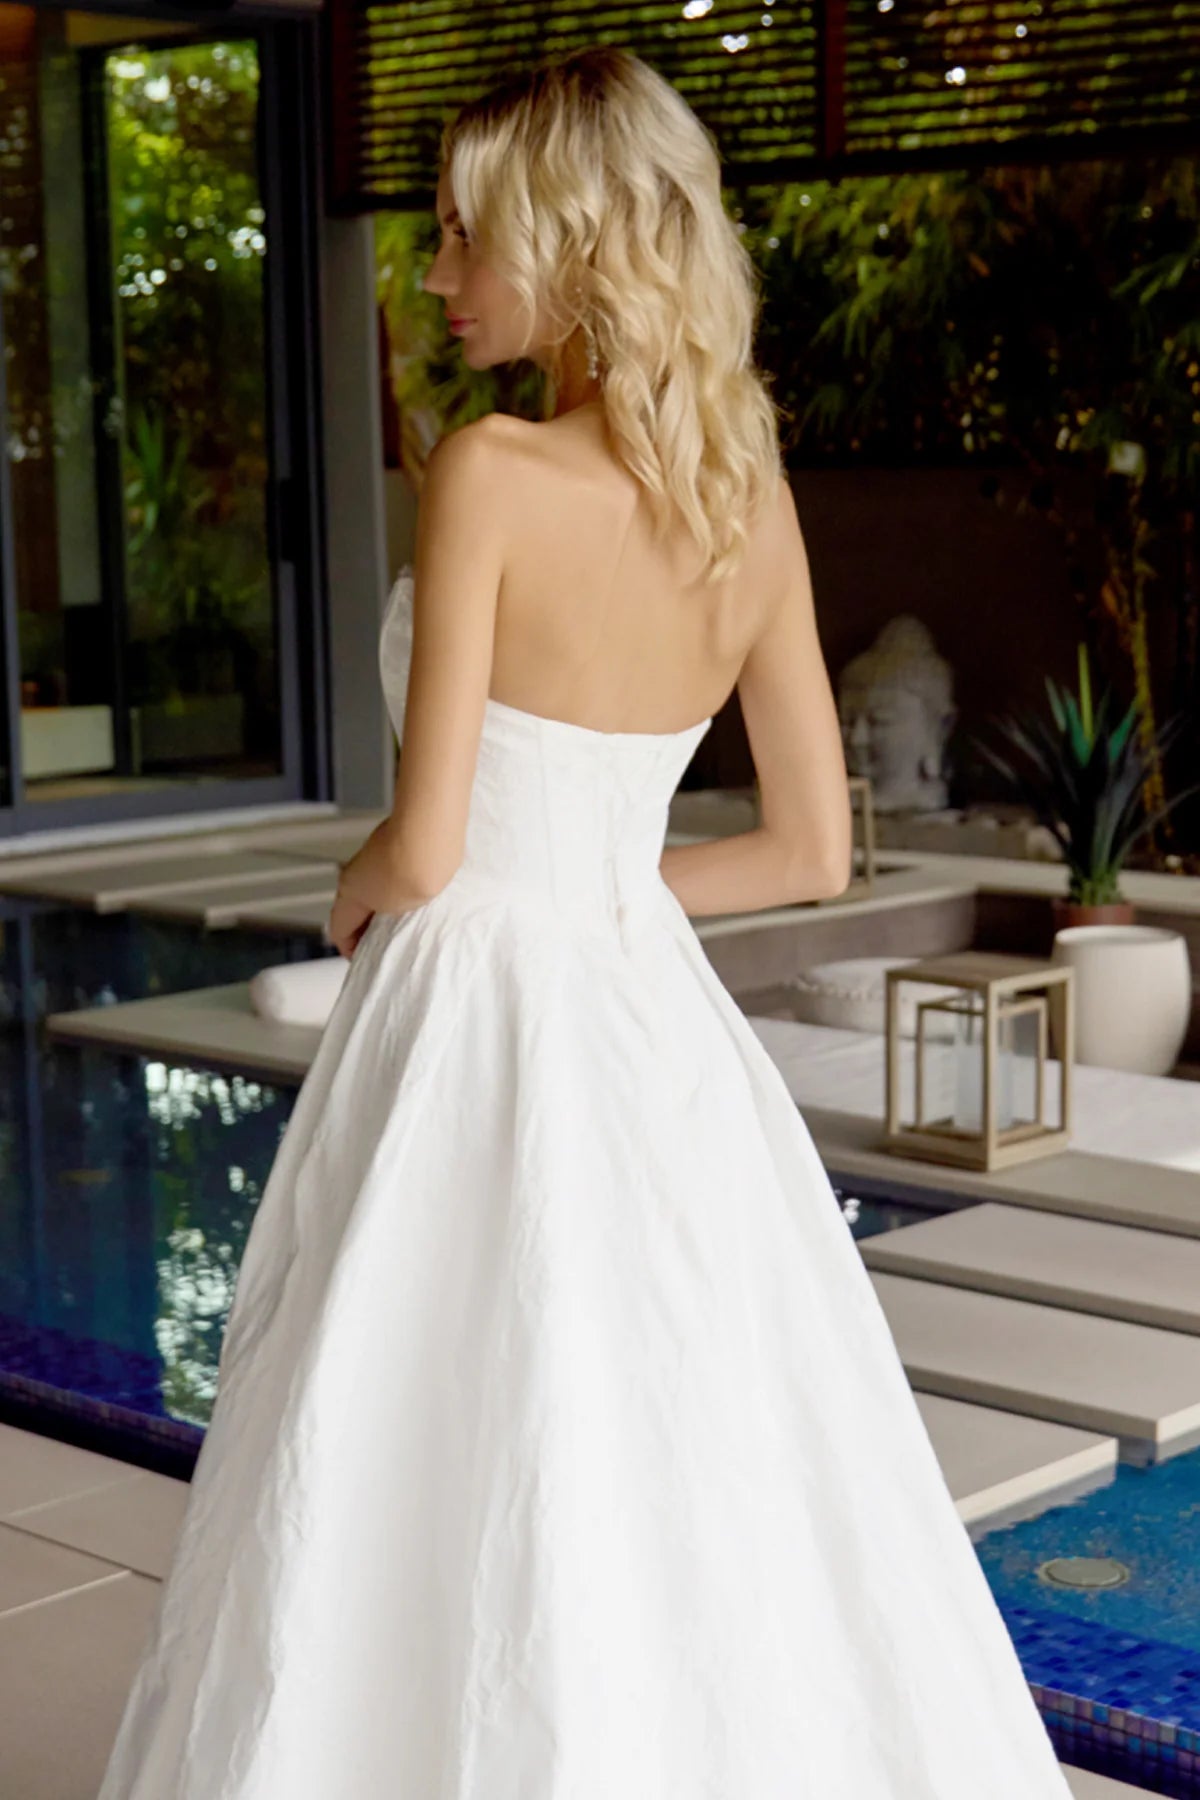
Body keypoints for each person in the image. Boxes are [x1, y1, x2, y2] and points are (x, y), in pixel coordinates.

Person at [96, 47, 1076, 1799]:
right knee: (684, 1439)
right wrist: (606, 890)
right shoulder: (749, 504)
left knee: (422, 1423)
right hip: (645, 1020)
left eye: (470, 238)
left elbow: (429, 838)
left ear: (576, 243)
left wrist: (369, 884)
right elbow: (808, 852)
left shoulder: (485, 472)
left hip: (476, 1006)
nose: (443, 276)